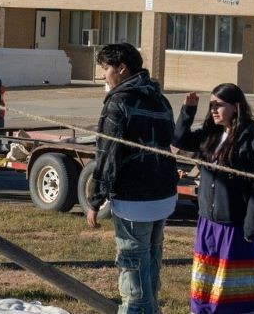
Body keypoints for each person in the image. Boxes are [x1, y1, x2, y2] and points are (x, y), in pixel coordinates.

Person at [85, 43, 178, 314]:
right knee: (150, 264)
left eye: (105, 69)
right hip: (163, 194)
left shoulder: (118, 101)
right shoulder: (160, 99)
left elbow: (107, 154)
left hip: (134, 199)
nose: (103, 75)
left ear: (122, 69)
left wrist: (95, 200)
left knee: (133, 267)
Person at [173, 84, 254, 314]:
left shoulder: (253, 140)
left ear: (236, 107)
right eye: (211, 106)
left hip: (236, 226)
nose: (214, 110)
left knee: (232, 287)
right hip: (208, 222)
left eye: (219, 105)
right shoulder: (211, 135)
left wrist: (252, 224)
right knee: (207, 282)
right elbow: (179, 141)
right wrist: (188, 111)